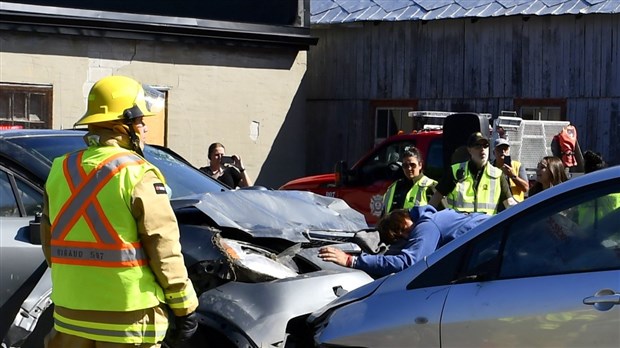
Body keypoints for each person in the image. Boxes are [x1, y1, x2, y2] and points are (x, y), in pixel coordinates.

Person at [41, 76, 198, 347]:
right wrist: (184, 306)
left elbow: (49, 243)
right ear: (122, 125)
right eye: (141, 122)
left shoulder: (60, 170)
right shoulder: (138, 173)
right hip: (128, 320)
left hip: (69, 316)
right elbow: (163, 246)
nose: (145, 129)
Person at [318, 205, 490, 278]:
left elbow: (407, 263)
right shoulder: (433, 219)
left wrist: (351, 260)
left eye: (401, 228)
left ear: (405, 216)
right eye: (399, 237)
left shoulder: (427, 225)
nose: (407, 236)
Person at [429, 132, 517, 214]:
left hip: (485, 228)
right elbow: (435, 200)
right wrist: (425, 217)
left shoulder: (497, 175)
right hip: (460, 228)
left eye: (485, 145)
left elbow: (510, 203)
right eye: (477, 146)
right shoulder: (455, 171)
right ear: (469, 150)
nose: (482, 149)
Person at [382, 146, 438, 215]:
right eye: (405, 165)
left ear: (420, 165)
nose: (409, 168)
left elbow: (439, 217)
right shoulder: (394, 187)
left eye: (412, 165)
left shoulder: (430, 186)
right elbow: (384, 217)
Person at [492, 137, 529, 202]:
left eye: (505, 149)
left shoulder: (518, 166)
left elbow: (526, 188)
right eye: (499, 149)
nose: (503, 151)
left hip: (516, 205)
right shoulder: (490, 168)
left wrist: (512, 175)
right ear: (494, 152)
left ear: (509, 151)